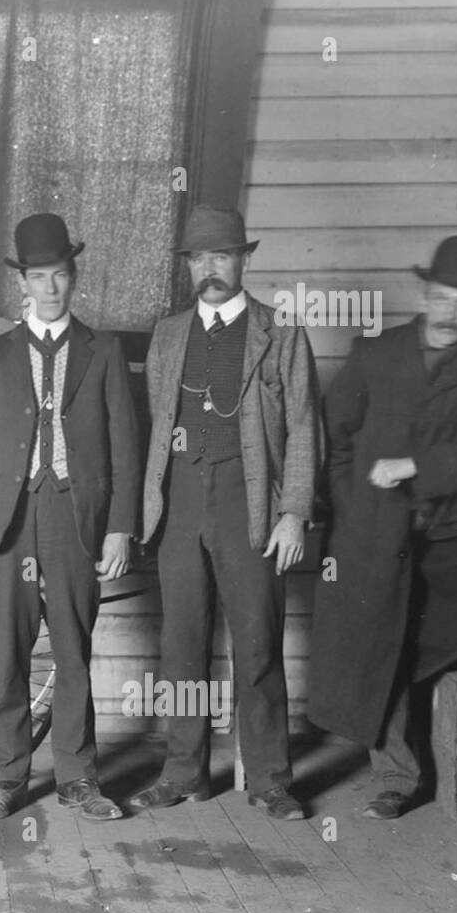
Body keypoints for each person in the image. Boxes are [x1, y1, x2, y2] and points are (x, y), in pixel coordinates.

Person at [309, 235, 457, 820]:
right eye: (444, 297)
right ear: (425, 293)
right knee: (385, 650)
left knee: (443, 653)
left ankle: (452, 768)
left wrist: (417, 466)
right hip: (375, 536)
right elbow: (335, 435)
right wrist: (352, 504)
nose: (453, 312)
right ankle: (397, 777)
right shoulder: (376, 355)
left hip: (450, 542)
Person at [0, 213, 140, 822]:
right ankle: (6, 779)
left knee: (72, 651)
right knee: (9, 651)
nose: (51, 287)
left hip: (74, 518)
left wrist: (119, 526)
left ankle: (78, 778)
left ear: (73, 276)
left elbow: (125, 445)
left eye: (60, 274)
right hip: (8, 520)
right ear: (23, 284)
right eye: (39, 276)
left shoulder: (104, 350)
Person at [133, 206, 318, 821]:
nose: (209, 269)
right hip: (180, 502)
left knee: (258, 642)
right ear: (188, 267)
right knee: (181, 643)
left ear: (245, 259)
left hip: (251, 504)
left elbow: (303, 428)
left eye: (221, 256)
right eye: (198, 258)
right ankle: (184, 772)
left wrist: (293, 512)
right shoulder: (167, 335)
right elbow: (158, 428)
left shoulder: (281, 332)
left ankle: (268, 779)